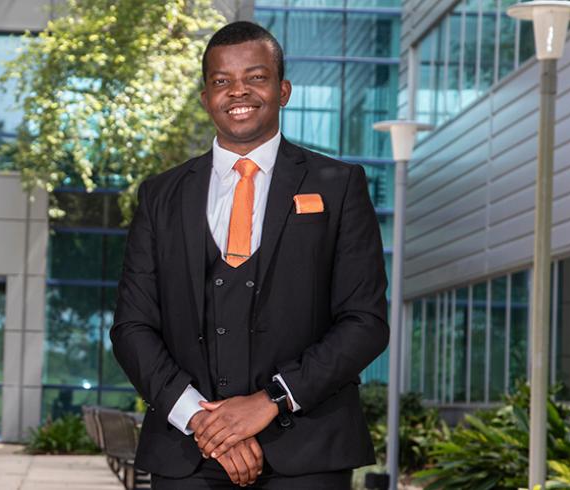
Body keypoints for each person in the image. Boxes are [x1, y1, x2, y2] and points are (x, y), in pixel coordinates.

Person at [110, 21, 388, 488]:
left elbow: (365, 322)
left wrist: (271, 401)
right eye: (222, 81)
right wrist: (203, 421)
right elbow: (132, 326)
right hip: (188, 449)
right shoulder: (160, 195)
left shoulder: (338, 186)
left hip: (309, 449)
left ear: (283, 90)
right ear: (205, 98)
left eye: (255, 77)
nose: (238, 91)